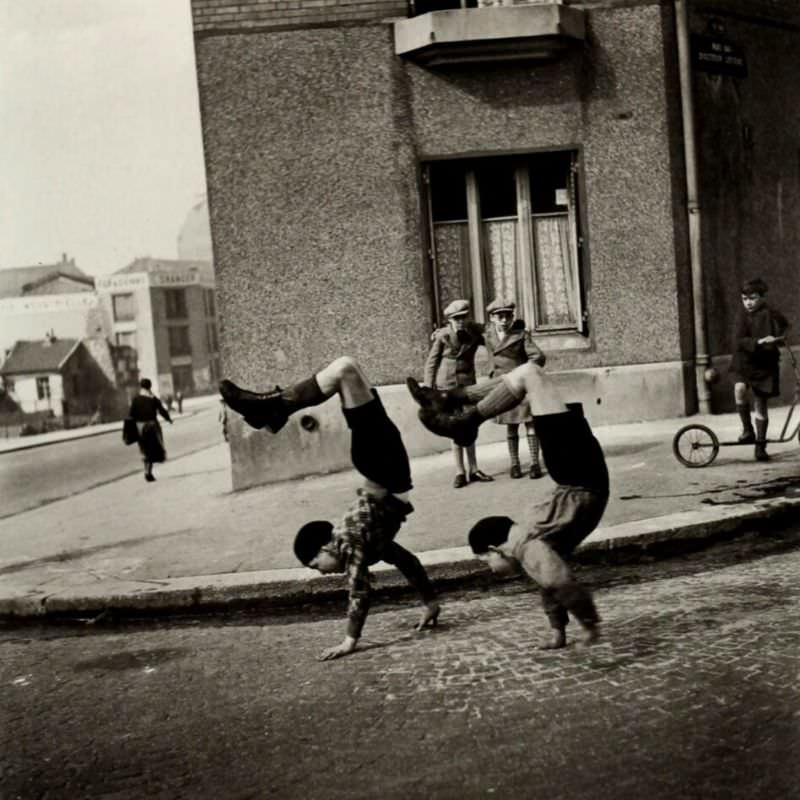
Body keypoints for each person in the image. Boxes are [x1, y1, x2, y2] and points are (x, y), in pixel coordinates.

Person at [219, 356, 440, 661]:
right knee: (348, 370)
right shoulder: (368, 541)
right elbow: (408, 561)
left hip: (382, 463)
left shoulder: (351, 542)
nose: (321, 573)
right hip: (385, 464)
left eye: (315, 565)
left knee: (344, 371)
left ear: (326, 547)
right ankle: (273, 411)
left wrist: (350, 640)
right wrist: (430, 603)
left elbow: (359, 592)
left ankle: (274, 409)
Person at [407, 361, 608, 649]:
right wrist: (558, 630)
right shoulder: (528, 544)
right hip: (578, 473)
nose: (490, 569)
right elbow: (549, 582)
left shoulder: (526, 545)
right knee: (531, 376)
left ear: (495, 549)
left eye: (486, 561)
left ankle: (461, 416)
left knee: (530, 376)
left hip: (579, 474)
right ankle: (453, 402)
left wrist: (587, 623)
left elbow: (557, 580)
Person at [424, 298, 493, 489]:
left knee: (470, 426)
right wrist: (428, 390)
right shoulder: (443, 336)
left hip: (467, 386)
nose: (460, 322)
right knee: (454, 428)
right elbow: (431, 362)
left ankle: (474, 469)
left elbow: (491, 332)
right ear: (450, 321)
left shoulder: (473, 333)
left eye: (463, 317)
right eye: (456, 319)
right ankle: (459, 472)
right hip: (446, 387)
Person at [484, 297, 546, 479]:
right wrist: (442, 331)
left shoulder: (520, 335)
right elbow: (467, 328)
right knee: (510, 426)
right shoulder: (488, 334)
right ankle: (515, 464)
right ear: (492, 318)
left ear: (512, 317)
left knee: (529, 423)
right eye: (500, 317)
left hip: (521, 385)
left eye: (508, 316)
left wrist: (524, 372)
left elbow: (538, 357)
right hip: (502, 385)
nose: (504, 320)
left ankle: (535, 463)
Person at [729, 277, 790, 461]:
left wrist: (778, 338)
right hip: (744, 362)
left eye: (753, 298)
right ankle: (747, 430)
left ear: (762, 297)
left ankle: (760, 446)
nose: (748, 303)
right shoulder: (741, 316)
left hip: (765, 364)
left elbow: (786, 327)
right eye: (745, 299)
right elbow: (738, 339)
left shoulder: (771, 313)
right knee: (739, 389)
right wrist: (758, 341)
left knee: (761, 405)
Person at [128, 378, 172, 482]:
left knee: (145, 450)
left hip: (139, 427)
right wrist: (168, 419)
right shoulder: (153, 398)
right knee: (152, 449)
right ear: (149, 386)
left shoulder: (135, 399)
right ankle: (148, 472)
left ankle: (147, 471)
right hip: (152, 426)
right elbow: (161, 410)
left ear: (141, 387)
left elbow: (131, 414)